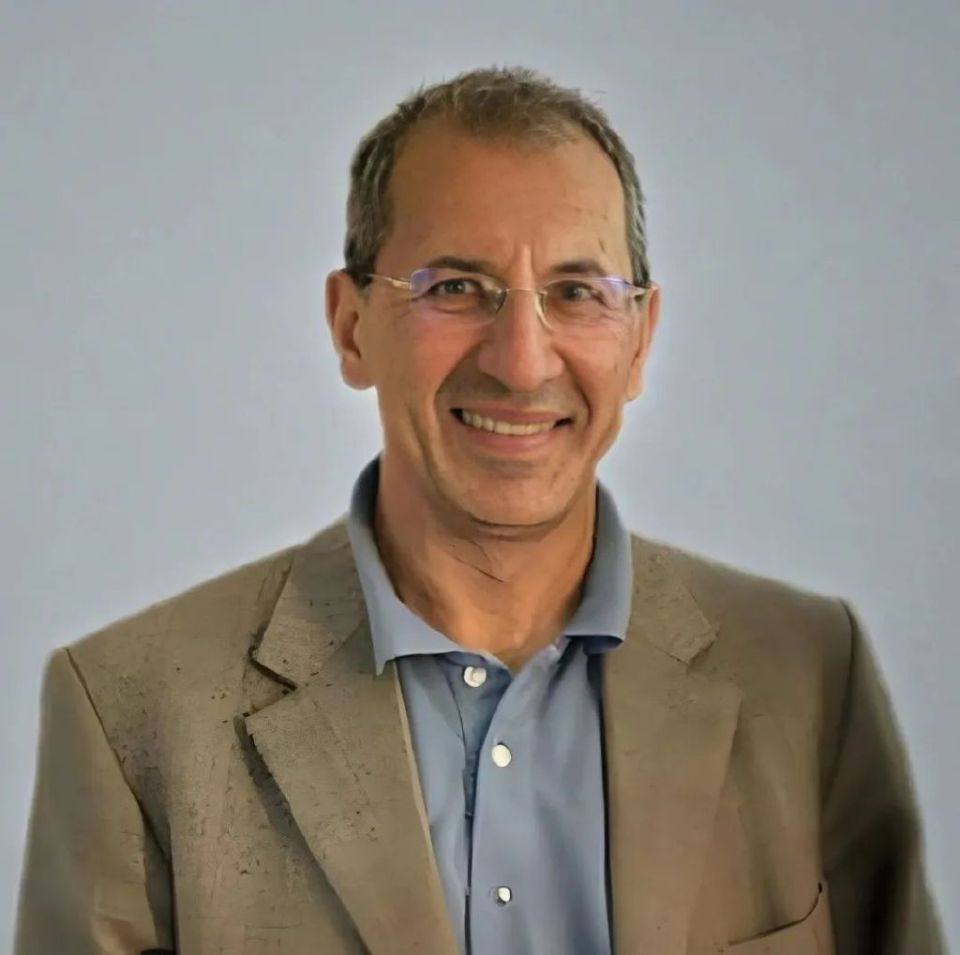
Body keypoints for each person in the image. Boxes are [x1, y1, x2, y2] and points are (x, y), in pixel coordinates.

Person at [15, 66, 945, 955]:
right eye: (457, 288)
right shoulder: (134, 715)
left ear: (639, 339)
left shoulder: (809, 677)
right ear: (350, 326)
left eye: (577, 293)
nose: (522, 362)